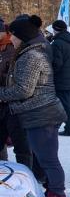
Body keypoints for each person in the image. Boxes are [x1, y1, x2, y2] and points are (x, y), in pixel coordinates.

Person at [0, 17, 68, 197]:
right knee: (44, 157)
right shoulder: (29, 53)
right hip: (37, 112)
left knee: (48, 159)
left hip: (42, 113)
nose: (10, 38)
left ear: (21, 36)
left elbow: (23, 90)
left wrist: (1, 94)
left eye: (13, 34)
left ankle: (59, 196)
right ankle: (53, 192)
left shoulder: (31, 56)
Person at [0, 18, 32, 167]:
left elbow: (17, 76)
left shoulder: (14, 48)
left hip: (15, 105)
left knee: (22, 146)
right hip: (3, 104)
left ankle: (26, 176)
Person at [50, 19, 70, 136]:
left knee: (66, 104)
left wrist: (52, 73)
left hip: (62, 79)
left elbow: (57, 63)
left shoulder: (57, 44)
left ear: (55, 30)